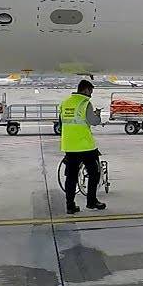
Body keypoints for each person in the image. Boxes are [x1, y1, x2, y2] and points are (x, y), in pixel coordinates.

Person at [59, 79, 105, 213]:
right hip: (85, 146)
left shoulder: (65, 103)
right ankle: (91, 201)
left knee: (71, 177)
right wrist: (97, 115)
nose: (91, 94)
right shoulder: (85, 103)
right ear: (85, 90)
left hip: (69, 145)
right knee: (94, 173)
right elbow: (93, 121)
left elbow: (61, 122)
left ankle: (70, 205)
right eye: (91, 91)